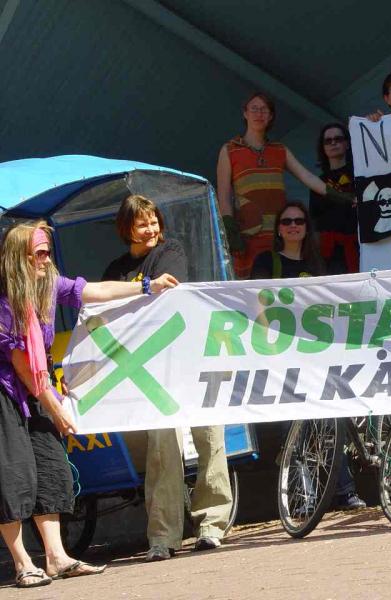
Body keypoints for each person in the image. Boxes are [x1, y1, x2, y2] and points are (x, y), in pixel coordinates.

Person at [0, 222, 177, 587]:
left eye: (49, 252)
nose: (47, 260)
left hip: (37, 387)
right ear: (20, 257)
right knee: (13, 477)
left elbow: (93, 290)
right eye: (40, 253)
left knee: (52, 470)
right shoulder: (6, 300)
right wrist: (54, 406)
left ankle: (56, 557)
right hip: (8, 392)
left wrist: (147, 285)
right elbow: (22, 365)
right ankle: (22, 564)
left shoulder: (47, 286)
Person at [102, 195, 233, 561]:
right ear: (126, 229)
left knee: (210, 436)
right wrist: (142, 290)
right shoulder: (115, 268)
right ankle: (163, 536)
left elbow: (167, 292)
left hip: (190, 357)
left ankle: (211, 524)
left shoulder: (171, 250)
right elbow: (106, 304)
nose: (152, 229)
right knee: (162, 450)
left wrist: (134, 295)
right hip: (150, 372)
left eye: (154, 221)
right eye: (143, 223)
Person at [250, 203, 366, 510]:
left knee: (331, 420)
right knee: (293, 429)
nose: (292, 225)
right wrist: (270, 346)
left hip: (316, 354)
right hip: (281, 355)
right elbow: (258, 302)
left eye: (299, 221)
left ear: (306, 227)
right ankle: (302, 500)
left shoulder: (319, 263)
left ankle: (344, 492)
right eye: (286, 221)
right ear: (278, 228)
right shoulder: (267, 261)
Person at [216, 91, 351, 279]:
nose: (259, 113)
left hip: (280, 235)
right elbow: (223, 195)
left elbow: (307, 177)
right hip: (248, 236)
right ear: (245, 113)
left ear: (270, 116)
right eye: (254, 109)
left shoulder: (280, 150)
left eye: (264, 110)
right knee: (251, 288)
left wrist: (344, 197)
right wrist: (230, 231)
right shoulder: (229, 150)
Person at [309, 123, 359, 275]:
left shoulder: (361, 173)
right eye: (328, 141)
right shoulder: (317, 182)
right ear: (322, 148)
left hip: (361, 247)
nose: (333, 143)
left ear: (347, 143)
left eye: (338, 139)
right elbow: (314, 222)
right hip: (329, 253)